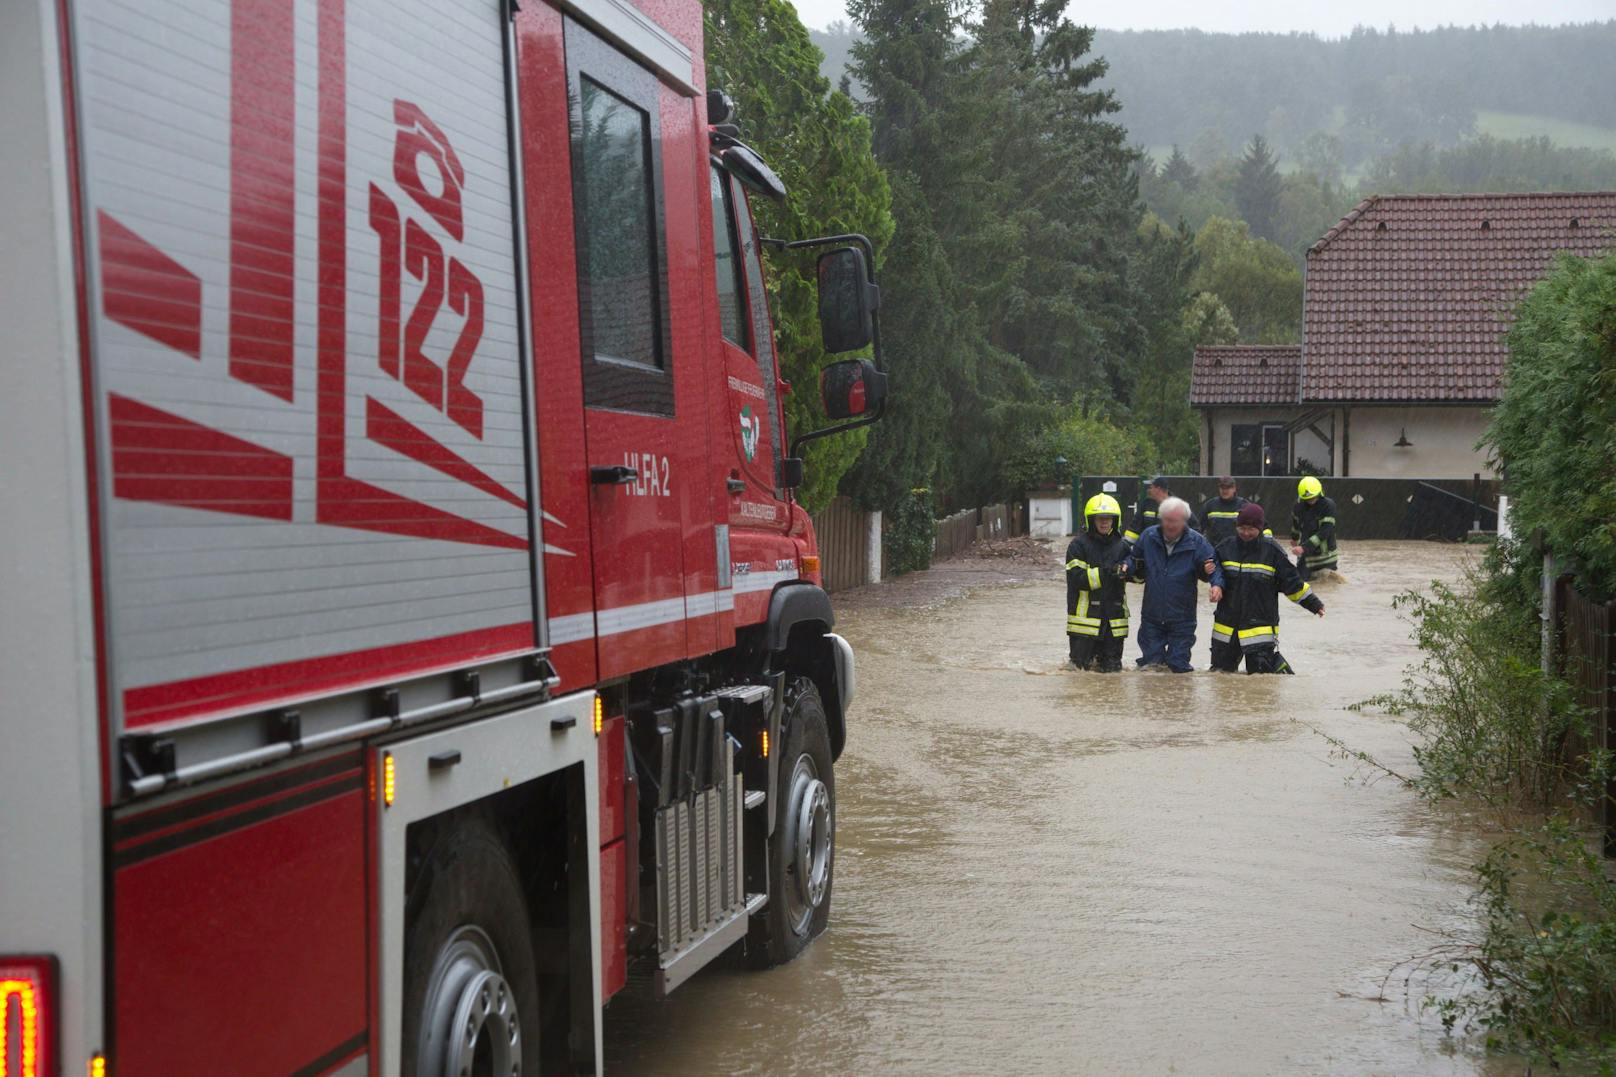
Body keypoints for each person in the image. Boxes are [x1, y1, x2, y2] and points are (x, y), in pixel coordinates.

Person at [1211, 503, 1324, 674]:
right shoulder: (1224, 548)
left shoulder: (1272, 552)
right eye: (1242, 528)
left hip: (1260, 630)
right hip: (1226, 629)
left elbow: (1292, 583)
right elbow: (1211, 570)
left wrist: (1313, 604)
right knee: (1221, 679)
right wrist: (1215, 584)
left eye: (1251, 529)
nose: (1246, 533)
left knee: (1259, 685)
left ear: (1261, 528)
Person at [1118, 497, 1223, 673]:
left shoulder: (1196, 542)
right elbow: (1134, 557)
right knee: (1150, 668)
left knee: (1179, 668)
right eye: (1166, 520)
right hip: (1152, 615)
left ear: (1184, 521)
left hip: (1182, 618)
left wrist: (1216, 585)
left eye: (1175, 521)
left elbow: (1214, 566)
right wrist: (1127, 565)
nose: (1170, 525)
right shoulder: (1149, 536)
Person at [1065, 493, 1131, 672]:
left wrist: (1132, 569)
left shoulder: (1123, 546)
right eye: (1100, 519)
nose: (1104, 522)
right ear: (1091, 520)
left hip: (1114, 624)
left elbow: (1138, 578)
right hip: (1085, 625)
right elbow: (1077, 578)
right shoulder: (1077, 546)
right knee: (1080, 674)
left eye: (1108, 519)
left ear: (1115, 521)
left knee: (1113, 676)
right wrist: (1109, 572)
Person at [1197, 475, 1269, 547]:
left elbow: (1261, 525)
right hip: (1214, 550)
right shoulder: (1210, 506)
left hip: (1238, 550)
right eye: (1222, 488)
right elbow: (1199, 527)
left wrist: (1266, 542)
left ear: (1234, 488)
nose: (1225, 491)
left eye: (1228, 488)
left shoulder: (1244, 506)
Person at [1289, 476, 1339, 579]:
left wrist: (1303, 547)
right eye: (1307, 499)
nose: (1311, 500)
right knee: (1300, 584)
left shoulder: (1328, 506)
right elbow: (1295, 526)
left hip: (1326, 559)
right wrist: (1294, 539)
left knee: (1327, 585)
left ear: (1319, 493)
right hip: (1306, 559)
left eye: (1313, 497)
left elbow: (1325, 532)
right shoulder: (1298, 507)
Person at [1124, 476, 1171, 546]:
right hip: (1148, 549)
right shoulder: (1146, 504)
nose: (1148, 490)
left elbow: (1190, 528)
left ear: (1158, 489)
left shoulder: (1176, 505)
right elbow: (1135, 528)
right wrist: (1125, 546)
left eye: (1151, 487)